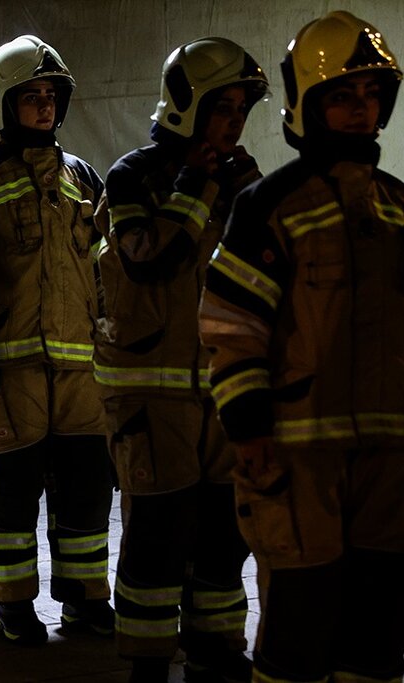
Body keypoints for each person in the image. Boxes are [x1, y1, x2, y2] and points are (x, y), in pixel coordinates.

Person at [198, 11, 404, 682]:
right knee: (299, 624)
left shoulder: (402, 209)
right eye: (343, 95)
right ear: (308, 105)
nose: (361, 109)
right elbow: (232, 325)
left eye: (372, 94)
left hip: (387, 460)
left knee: (379, 628)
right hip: (298, 462)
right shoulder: (270, 206)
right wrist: (250, 425)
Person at [0, 35, 113, 645]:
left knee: (84, 494)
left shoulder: (83, 176)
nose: (43, 107)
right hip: (9, 374)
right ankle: (12, 605)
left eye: (51, 95)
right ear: (4, 105)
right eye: (30, 96)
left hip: (82, 377)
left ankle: (85, 600)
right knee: (10, 496)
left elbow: (106, 272)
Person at [93, 38, 268, 681]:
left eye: (241, 109)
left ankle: (216, 647)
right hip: (149, 393)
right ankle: (146, 658)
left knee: (227, 529)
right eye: (221, 107)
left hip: (223, 388)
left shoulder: (241, 176)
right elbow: (147, 259)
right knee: (157, 533)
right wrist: (198, 184)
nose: (233, 122)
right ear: (185, 105)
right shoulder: (132, 175)